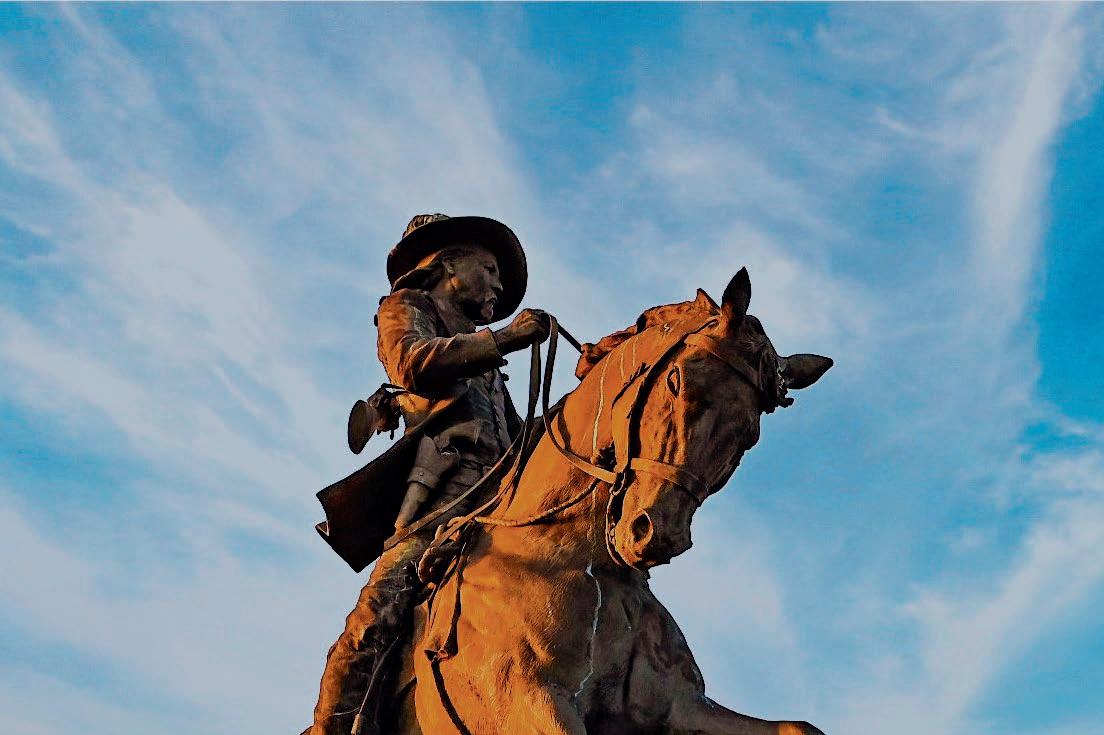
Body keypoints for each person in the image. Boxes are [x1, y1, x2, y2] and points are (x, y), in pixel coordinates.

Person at [310, 214, 550, 735]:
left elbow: (516, 432)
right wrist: (505, 338)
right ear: (449, 266)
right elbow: (410, 363)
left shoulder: (484, 356)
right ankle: (334, 724)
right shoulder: (406, 307)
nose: (498, 286)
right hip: (442, 499)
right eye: (489, 269)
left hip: (503, 499)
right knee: (381, 606)